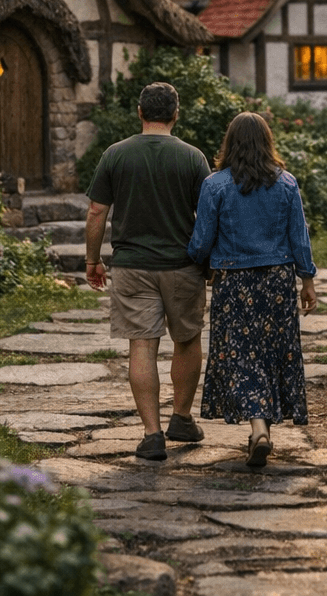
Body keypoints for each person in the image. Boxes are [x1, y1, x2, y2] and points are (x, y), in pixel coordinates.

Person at [85, 81, 212, 460]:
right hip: (182, 265)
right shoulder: (193, 158)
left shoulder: (115, 155)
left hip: (131, 266)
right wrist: (209, 263)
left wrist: (93, 260)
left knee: (141, 344)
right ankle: (182, 418)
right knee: (187, 339)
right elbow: (206, 217)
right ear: (176, 114)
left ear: (140, 112)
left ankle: (152, 434)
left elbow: (96, 212)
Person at [187, 112, 317, 466]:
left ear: (230, 143)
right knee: (273, 353)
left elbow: (201, 242)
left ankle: (258, 427)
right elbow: (299, 237)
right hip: (276, 282)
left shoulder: (215, 185)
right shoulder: (287, 183)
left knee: (243, 355)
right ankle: (264, 430)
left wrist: (196, 259)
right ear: (267, 142)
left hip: (234, 283)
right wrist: (307, 280)